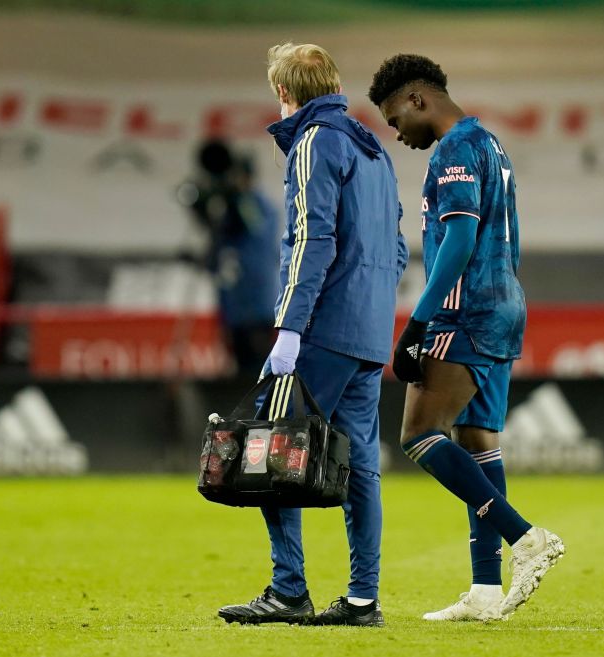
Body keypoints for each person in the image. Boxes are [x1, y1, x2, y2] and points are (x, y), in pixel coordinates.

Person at [368, 54, 565, 622]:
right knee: (478, 442)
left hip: (466, 310)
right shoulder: (490, 143)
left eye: (394, 118)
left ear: (417, 99)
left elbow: (457, 242)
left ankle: (525, 539)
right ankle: (484, 591)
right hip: (503, 302)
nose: (397, 133)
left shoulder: (454, 149)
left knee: (419, 433)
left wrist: (419, 322)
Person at [217, 42, 407, 627]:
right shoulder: (373, 150)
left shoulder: (313, 142)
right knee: (362, 467)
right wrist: (371, 306)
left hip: (322, 327)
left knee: (269, 446)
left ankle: (288, 588)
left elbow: (310, 241)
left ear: (283, 91)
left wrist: (290, 329)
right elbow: (398, 248)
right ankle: (362, 599)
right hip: (371, 332)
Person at [179, 140, 280, 374]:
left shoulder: (261, 206)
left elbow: (255, 234)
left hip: (258, 310)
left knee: (259, 373)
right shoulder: (227, 217)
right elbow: (219, 258)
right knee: (239, 372)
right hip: (232, 311)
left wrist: (236, 197)